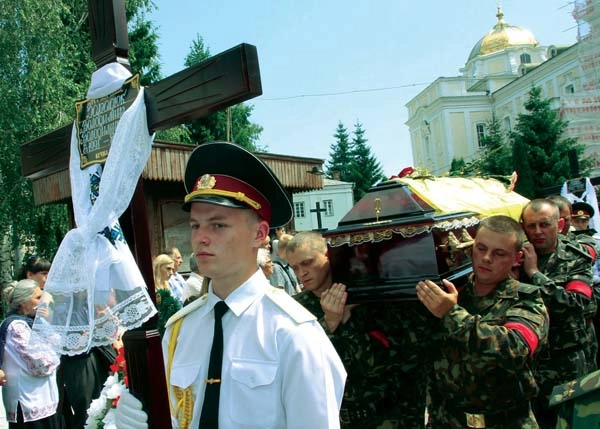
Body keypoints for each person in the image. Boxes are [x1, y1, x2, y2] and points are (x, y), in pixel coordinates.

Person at [116, 142, 346, 428]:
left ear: (259, 234)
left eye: (217, 225)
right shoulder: (179, 330)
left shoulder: (292, 331)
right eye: (195, 225)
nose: (201, 237)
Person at [416, 215, 549, 428]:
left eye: (499, 253)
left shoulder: (528, 299)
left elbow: (513, 349)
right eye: (481, 248)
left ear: (517, 258)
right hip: (447, 422)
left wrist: (451, 314)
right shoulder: (452, 294)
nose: (486, 258)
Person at [286, 231, 425, 428]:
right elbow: (301, 366)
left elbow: (390, 360)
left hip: (387, 416)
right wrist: (330, 324)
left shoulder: (363, 294)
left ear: (328, 256)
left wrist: (347, 321)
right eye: (295, 268)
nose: (302, 273)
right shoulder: (294, 308)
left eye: (307, 263)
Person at [519, 198, 596, 428]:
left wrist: (534, 274)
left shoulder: (576, 258)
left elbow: (575, 303)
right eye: (531, 226)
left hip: (569, 362)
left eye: (544, 224)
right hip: (533, 364)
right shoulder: (517, 258)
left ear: (560, 224)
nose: (537, 232)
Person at [0, 279, 61, 428]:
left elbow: (59, 343)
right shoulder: (16, 326)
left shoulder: (34, 322)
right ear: (23, 303)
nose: (43, 301)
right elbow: (40, 364)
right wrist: (55, 357)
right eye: (38, 298)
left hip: (44, 399)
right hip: (29, 401)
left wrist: (45, 319)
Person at [152, 254, 183, 336]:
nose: (171, 273)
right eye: (168, 269)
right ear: (158, 267)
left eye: (172, 270)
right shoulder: (151, 288)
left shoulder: (169, 285)